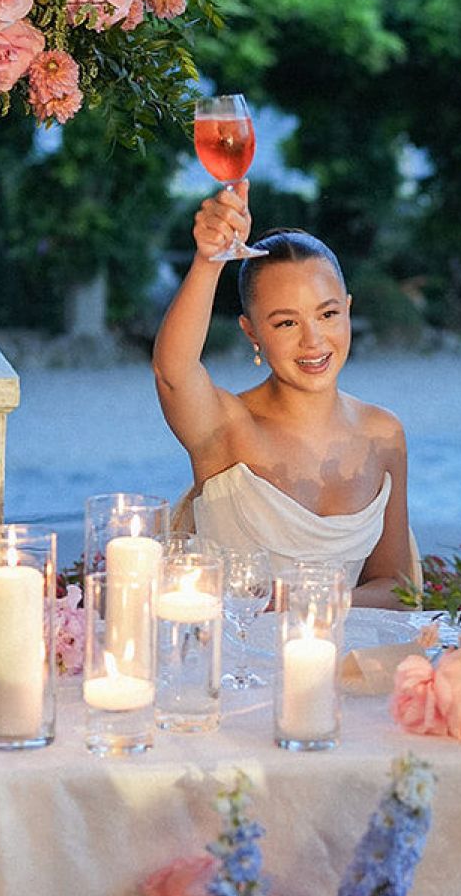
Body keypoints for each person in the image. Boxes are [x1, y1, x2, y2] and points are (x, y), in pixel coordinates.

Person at [153, 178, 414, 606]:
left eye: (327, 314)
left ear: (347, 310)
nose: (314, 341)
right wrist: (208, 261)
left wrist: (314, 606)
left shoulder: (383, 434)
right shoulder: (225, 426)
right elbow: (172, 371)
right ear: (251, 331)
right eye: (286, 323)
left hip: (343, 663)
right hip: (231, 667)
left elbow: (398, 589)